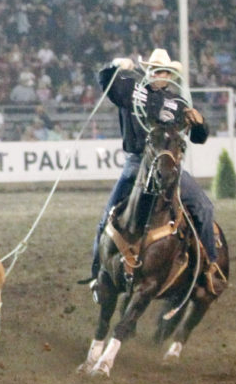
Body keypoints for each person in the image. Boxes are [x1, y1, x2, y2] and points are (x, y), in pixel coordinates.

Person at [91, 48, 219, 281]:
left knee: (204, 207)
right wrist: (116, 65)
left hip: (167, 165)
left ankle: (210, 263)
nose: (160, 75)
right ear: (148, 71)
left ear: (170, 75)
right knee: (106, 218)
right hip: (137, 161)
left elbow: (198, 137)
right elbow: (105, 80)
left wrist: (201, 123)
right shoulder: (130, 89)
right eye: (156, 70)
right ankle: (98, 274)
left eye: (165, 72)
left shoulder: (178, 103)